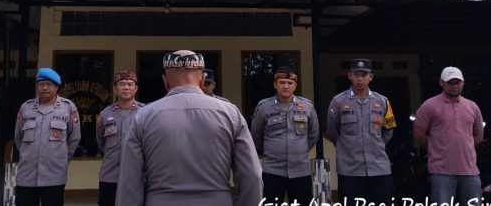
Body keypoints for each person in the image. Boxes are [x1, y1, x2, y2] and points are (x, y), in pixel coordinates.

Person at [116, 50, 262, 206]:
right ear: (202, 79)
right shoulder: (230, 114)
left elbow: (129, 181)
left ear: (165, 81)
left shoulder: (143, 116)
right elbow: (252, 176)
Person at [325, 58, 396, 206]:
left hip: (379, 169)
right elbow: (332, 132)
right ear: (349, 75)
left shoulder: (383, 101)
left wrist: (377, 144)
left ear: (371, 76)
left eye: (364, 75)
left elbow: (389, 130)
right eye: (356, 74)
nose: (360, 79)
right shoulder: (338, 102)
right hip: (350, 170)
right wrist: (347, 147)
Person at [413, 66, 484, 206]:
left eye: (458, 82)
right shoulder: (429, 106)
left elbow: (479, 135)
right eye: (451, 82)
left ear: (463, 82)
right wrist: (437, 147)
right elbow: (418, 134)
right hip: (441, 171)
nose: (455, 86)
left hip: (470, 171)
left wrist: (465, 146)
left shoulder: (472, 106)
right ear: (441, 82)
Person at [250, 66, 319, 206]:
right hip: (272, 170)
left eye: (290, 83)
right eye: (282, 82)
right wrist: (268, 153)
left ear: (295, 85)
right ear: (275, 84)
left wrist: (300, 150)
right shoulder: (264, 107)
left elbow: (313, 135)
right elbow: (256, 135)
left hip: (300, 171)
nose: (286, 86)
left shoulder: (307, 106)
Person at [14, 67, 81, 206]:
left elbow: (74, 138)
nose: (44, 88)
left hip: (54, 175)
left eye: (49, 84)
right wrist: (29, 155)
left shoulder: (68, 107)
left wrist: (61, 159)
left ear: (57, 87)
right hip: (27, 175)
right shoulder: (26, 107)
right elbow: (18, 137)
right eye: (41, 84)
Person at [96, 70, 144, 206]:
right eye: (122, 84)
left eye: (130, 84)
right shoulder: (105, 115)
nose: (126, 87)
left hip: (137, 176)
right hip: (110, 176)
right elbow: (100, 143)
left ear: (136, 88)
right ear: (115, 89)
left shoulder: (145, 113)